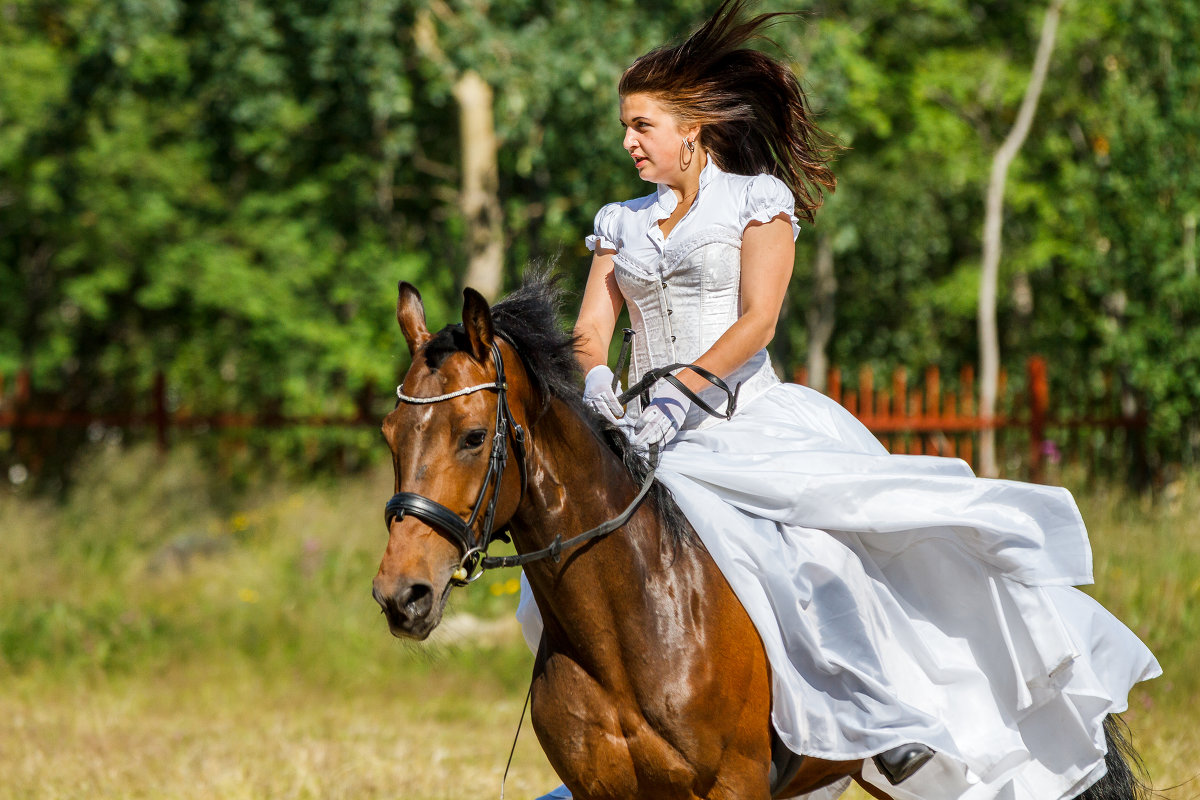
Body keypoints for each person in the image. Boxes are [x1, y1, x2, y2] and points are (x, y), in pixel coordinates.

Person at [518, 1, 1160, 798]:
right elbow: (589, 331)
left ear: (694, 127)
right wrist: (598, 390)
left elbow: (757, 321)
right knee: (571, 572)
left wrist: (682, 391)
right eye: (626, 127)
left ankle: (881, 723)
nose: (628, 143)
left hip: (739, 420)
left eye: (641, 125)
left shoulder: (756, 202)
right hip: (639, 437)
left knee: (817, 553)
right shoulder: (620, 221)